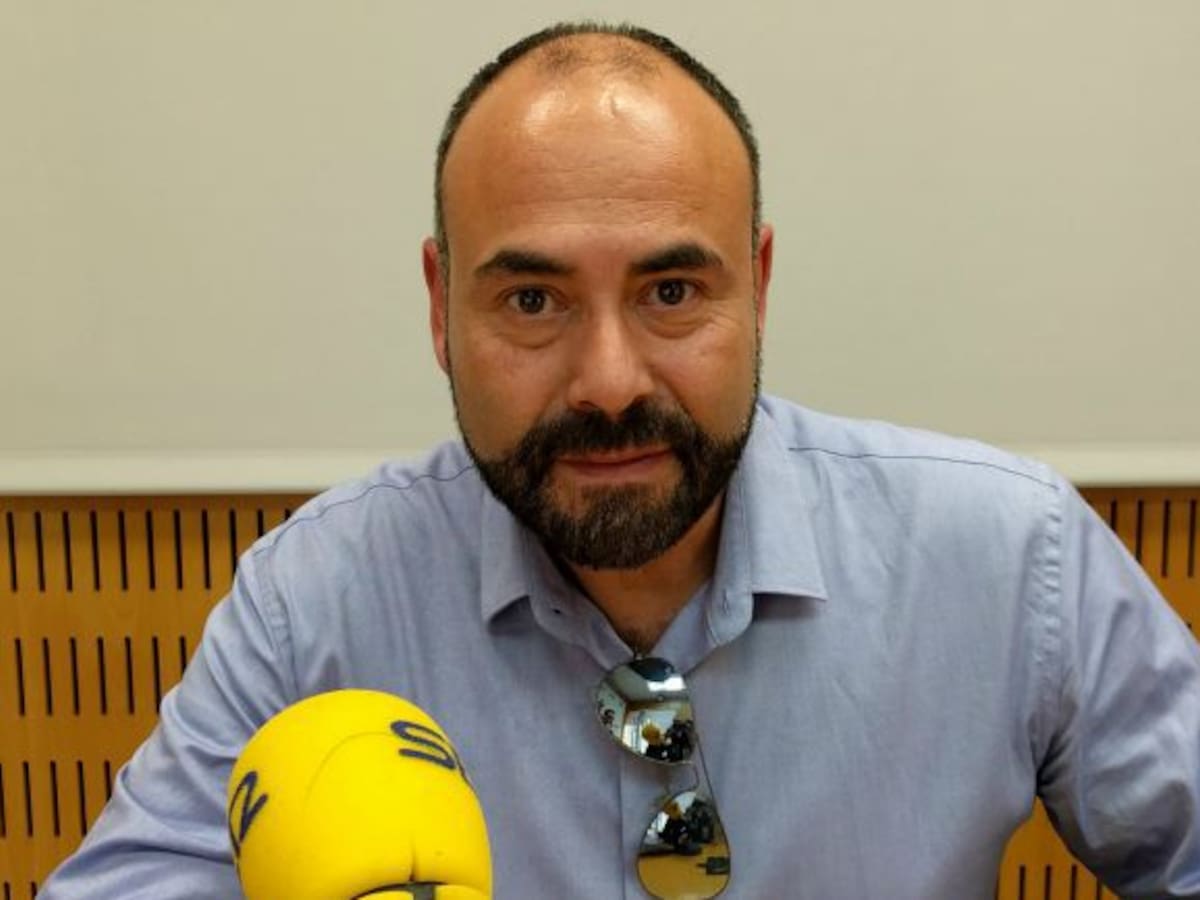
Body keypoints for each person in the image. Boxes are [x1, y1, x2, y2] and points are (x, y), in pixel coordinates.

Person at [41, 21, 1200, 899]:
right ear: (442, 309)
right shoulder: (316, 604)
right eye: (533, 300)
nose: (608, 382)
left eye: (672, 291)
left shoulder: (1013, 559)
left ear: (759, 287)